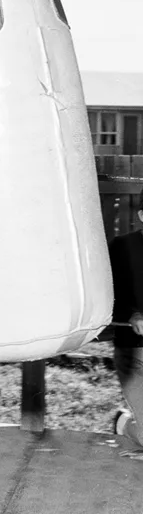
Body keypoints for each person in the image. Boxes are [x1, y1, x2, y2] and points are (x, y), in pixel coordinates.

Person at [110, 188, 143, 449]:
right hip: (133, 356)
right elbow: (108, 299)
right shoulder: (123, 248)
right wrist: (132, 316)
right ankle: (122, 421)